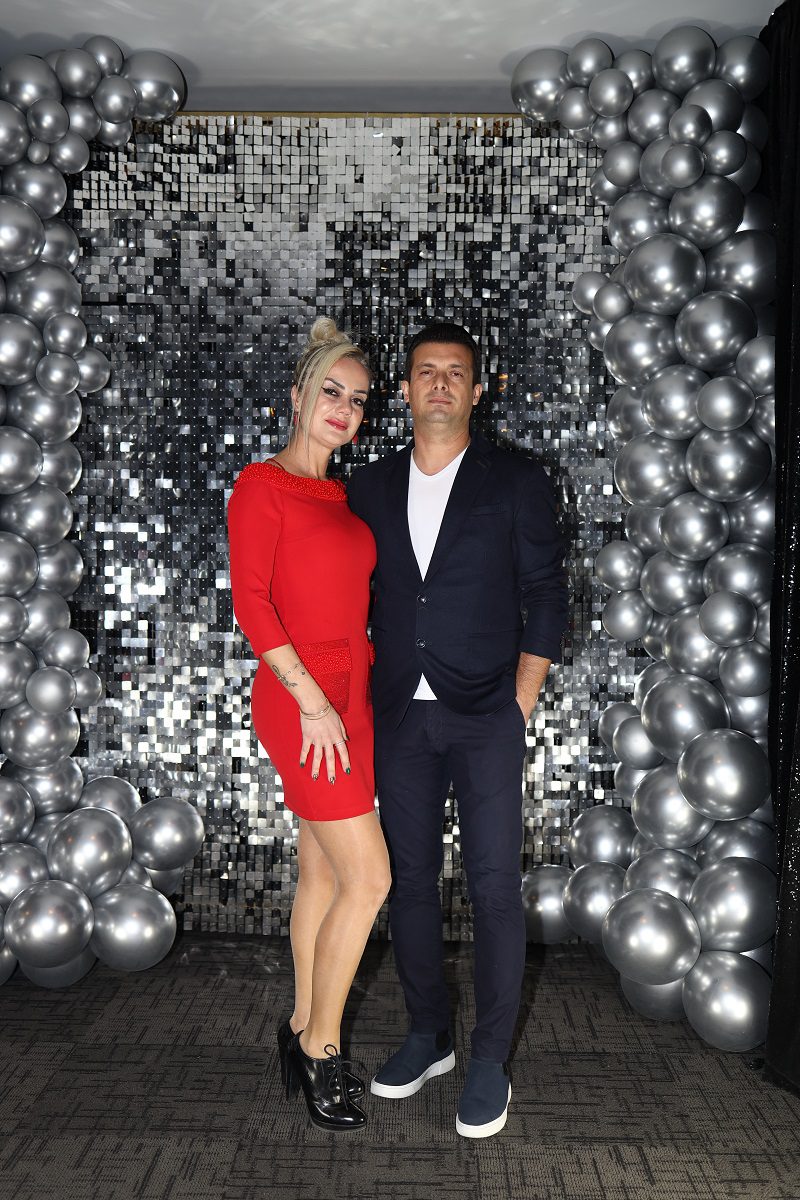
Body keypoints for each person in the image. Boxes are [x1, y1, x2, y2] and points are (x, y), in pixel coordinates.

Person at [348, 321, 569, 1139]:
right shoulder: (366, 487)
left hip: (485, 716)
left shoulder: (516, 480)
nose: (439, 383)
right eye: (425, 371)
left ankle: (488, 1060)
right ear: (405, 390)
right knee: (407, 882)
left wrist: (519, 702)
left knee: (494, 888)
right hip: (399, 714)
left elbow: (546, 593)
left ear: (477, 392)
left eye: (455, 372)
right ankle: (429, 1034)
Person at [227, 318, 391, 1133]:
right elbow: (252, 605)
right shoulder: (262, 485)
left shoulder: (339, 497)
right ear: (297, 397)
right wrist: (313, 704)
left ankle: (299, 1023)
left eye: (357, 400)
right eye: (331, 392)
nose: (344, 410)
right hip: (306, 704)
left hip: (350, 695)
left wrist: (347, 699)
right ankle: (321, 1050)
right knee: (371, 880)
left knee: (323, 875)